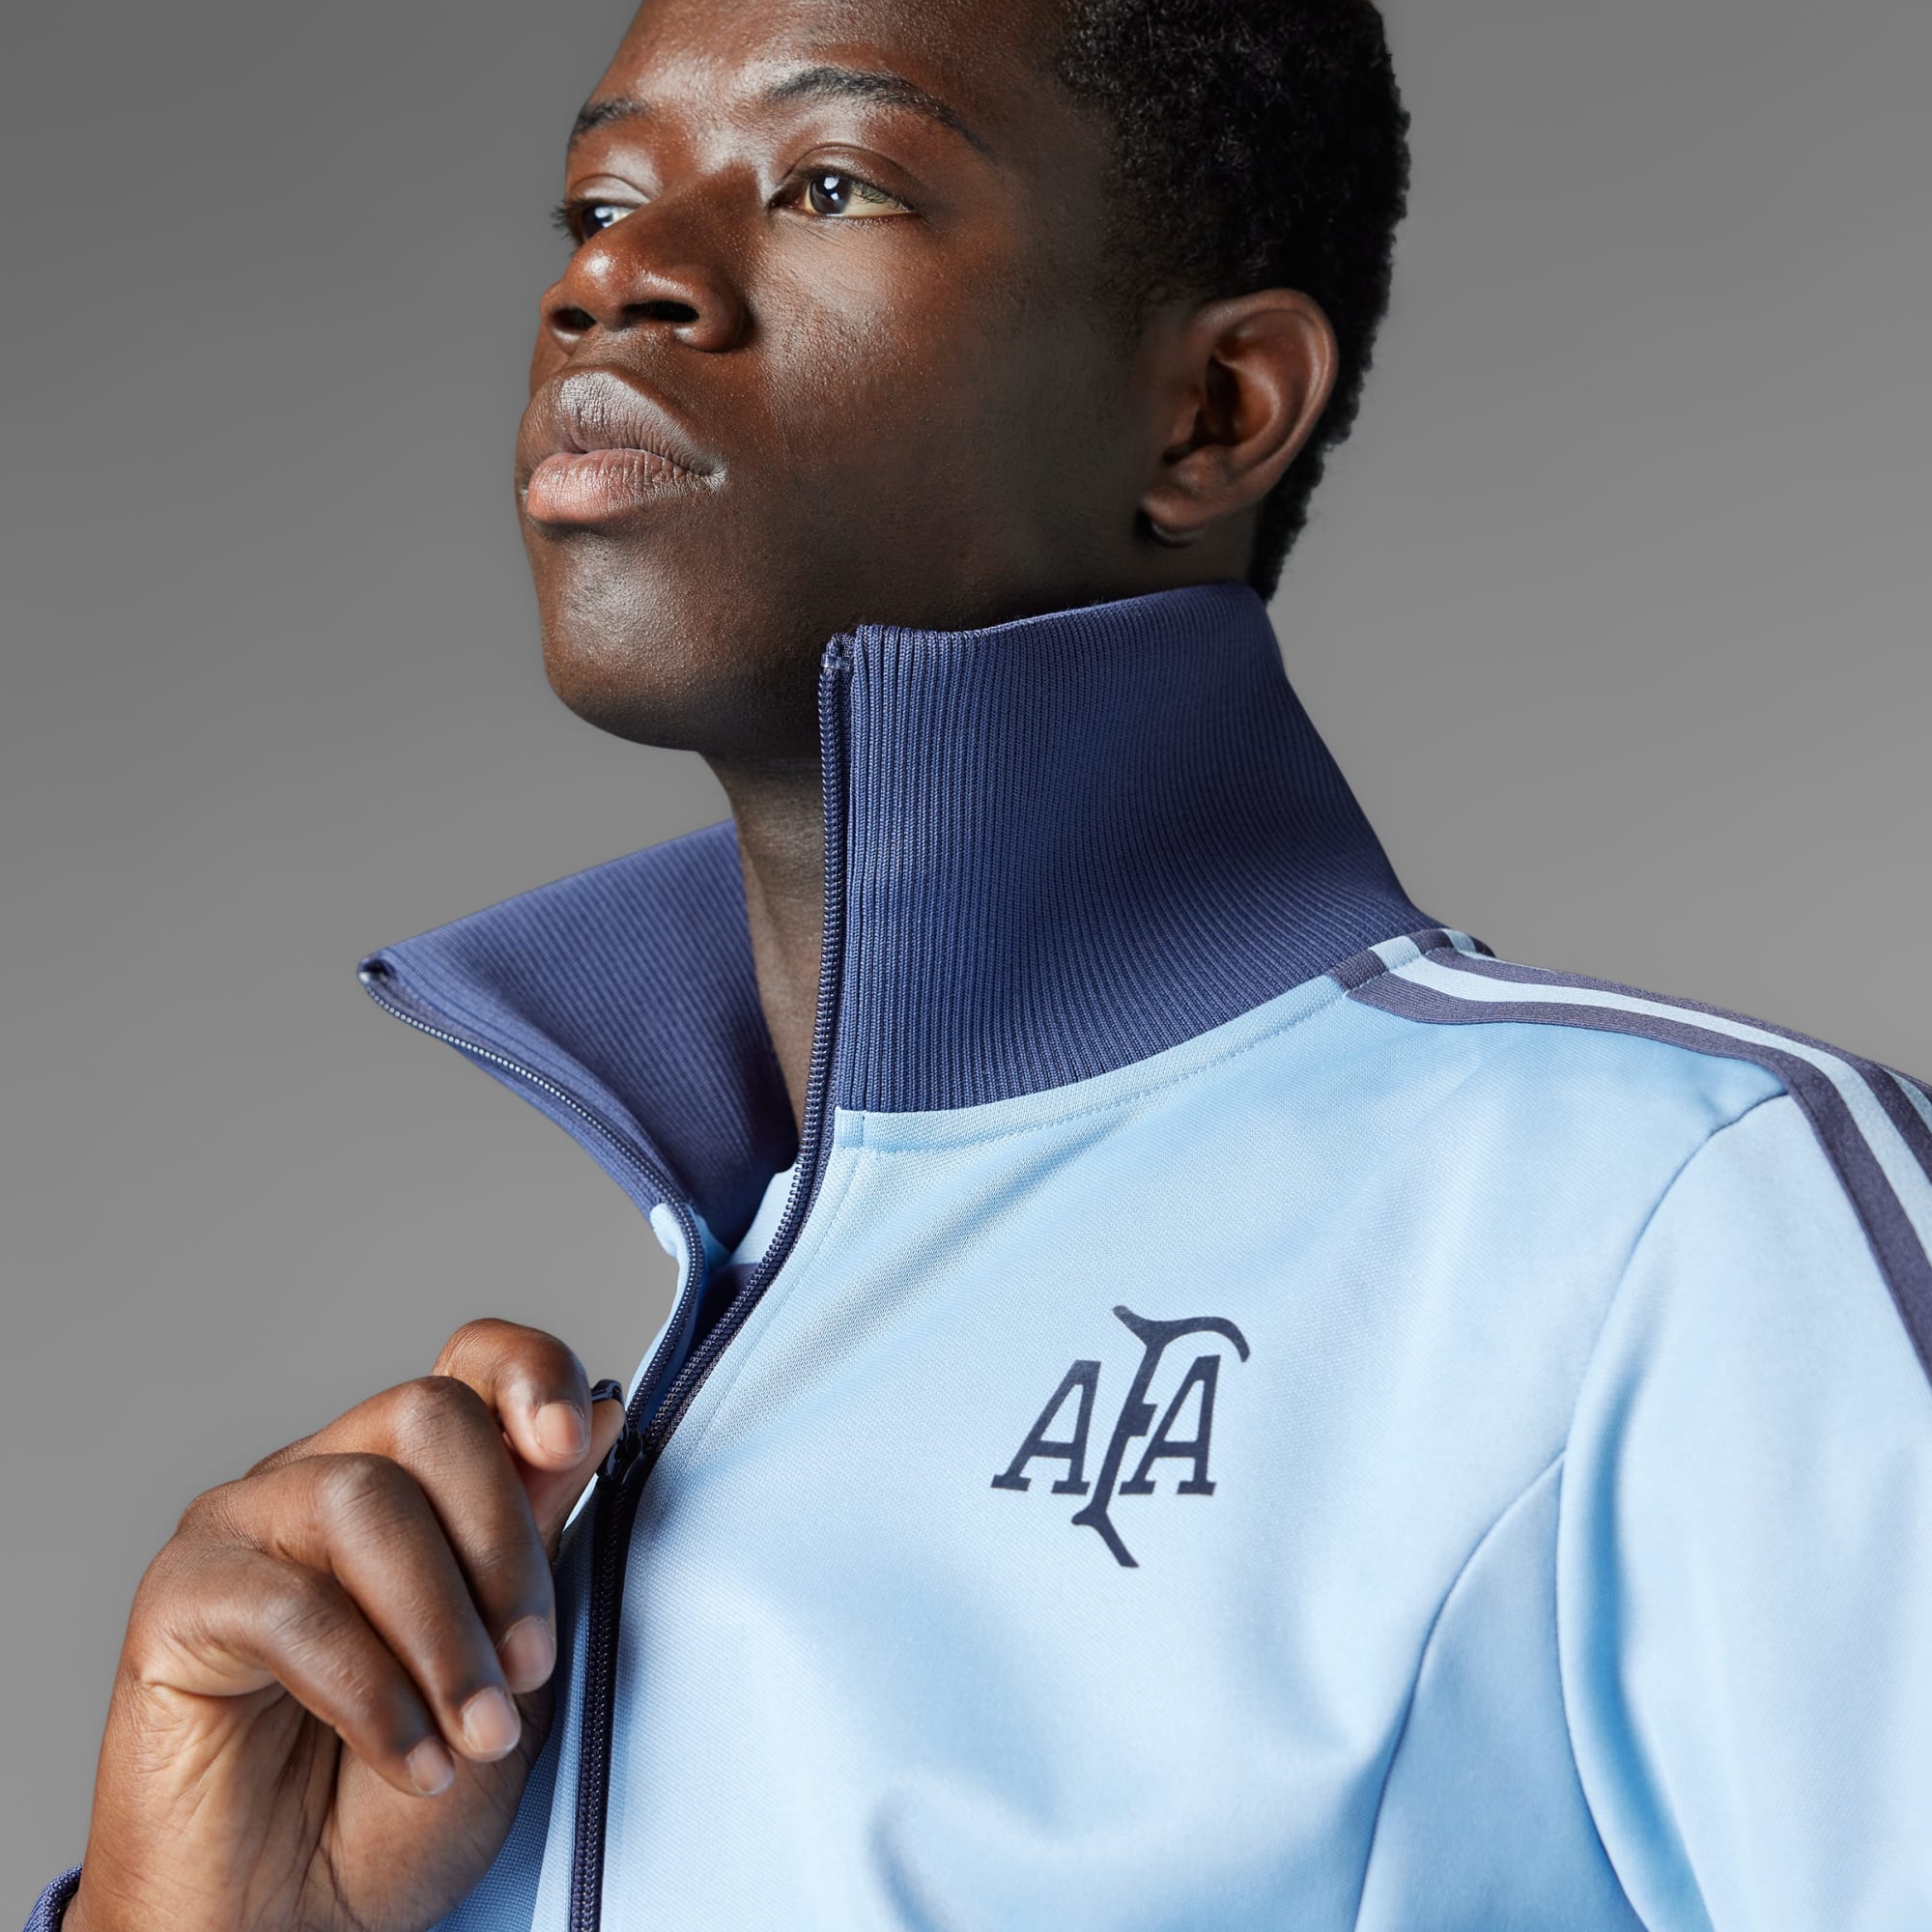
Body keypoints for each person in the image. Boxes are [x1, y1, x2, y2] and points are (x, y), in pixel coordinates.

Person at [32, 0, 1932, 1924]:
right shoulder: (526, 1559)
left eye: (829, 183)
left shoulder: (1679, 1220)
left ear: (1214, 410)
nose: (617, 276)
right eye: (596, 202)